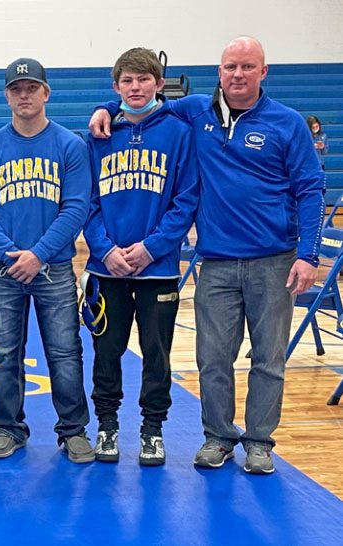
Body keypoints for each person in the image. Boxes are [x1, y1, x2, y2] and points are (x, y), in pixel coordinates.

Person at [89, 36, 325, 474]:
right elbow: (141, 99)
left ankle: (260, 442)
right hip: (215, 262)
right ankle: (218, 437)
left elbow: (311, 189)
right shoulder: (197, 111)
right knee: (213, 359)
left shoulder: (288, 123)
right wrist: (105, 107)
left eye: (247, 67)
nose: (238, 74)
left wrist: (308, 256)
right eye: (230, 67)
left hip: (274, 260)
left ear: (263, 72)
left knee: (268, 359)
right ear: (219, 72)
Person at [0, 58, 94, 462]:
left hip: (53, 268)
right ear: (7, 96)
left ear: (46, 93)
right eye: (16, 89)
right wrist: (10, 254)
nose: (24, 95)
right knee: (6, 355)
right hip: (3, 269)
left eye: (32, 88)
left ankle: (73, 430)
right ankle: (8, 428)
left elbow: (76, 207)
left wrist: (37, 255)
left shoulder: (70, 145)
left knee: (65, 352)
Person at [82, 48, 199, 466]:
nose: (135, 87)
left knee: (157, 354)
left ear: (159, 83)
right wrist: (104, 249)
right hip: (107, 267)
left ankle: (152, 430)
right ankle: (107, 425)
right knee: (106, 352)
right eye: (127, 81)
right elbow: (86, 202)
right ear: (115, 86)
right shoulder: (98, 134)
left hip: (158, 268)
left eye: (144, 79)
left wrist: (152, 247)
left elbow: (186, 200)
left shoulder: (180, 132)